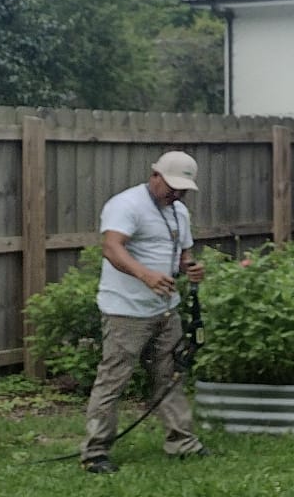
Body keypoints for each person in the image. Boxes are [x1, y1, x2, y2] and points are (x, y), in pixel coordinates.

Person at [79, 151, 208, 473]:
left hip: (166, 310)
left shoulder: (179, 212)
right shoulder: (126, 205)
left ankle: (182, 444)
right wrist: (146, 275)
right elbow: (112, 248)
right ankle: (95, 453)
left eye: (182, 189)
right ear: (155, 175)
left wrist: (190, 268)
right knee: (114, 380)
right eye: (171, 186)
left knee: (170, 377)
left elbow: (183, 252)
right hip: (126, 311)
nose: (176, 193)